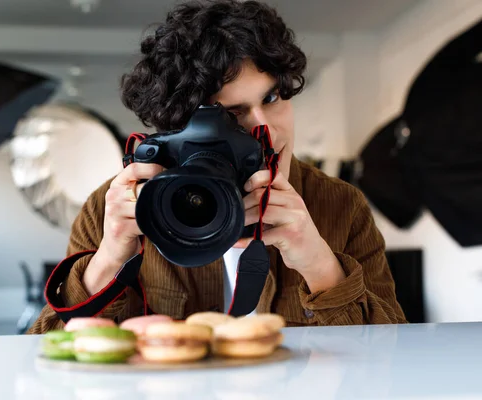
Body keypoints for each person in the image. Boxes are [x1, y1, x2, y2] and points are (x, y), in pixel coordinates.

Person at [28, 0, 406, 334]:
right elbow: (45, 359)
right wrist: (108, 259)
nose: (267, 128)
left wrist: (321, 267)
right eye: (232, 114)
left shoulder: (339, 204)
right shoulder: (113, 207)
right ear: (179, 131)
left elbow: (393, 359)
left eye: (272, 97)